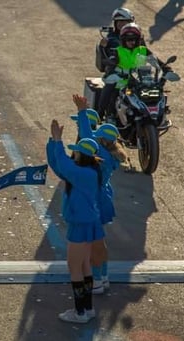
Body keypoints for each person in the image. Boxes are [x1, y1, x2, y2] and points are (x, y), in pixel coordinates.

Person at [46, 120, 103, 323]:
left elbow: (63, 165)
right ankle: (87, 309)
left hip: (80, 225)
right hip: (88, 223)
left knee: (74, 267)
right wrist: (53, 143)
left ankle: (79, 312)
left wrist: (58, 140)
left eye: (77, 150)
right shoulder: (88, 172)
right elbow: (59, 166)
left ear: (82, 154)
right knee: (85, 265)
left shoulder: (81, 173)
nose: (74, 153)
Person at [72, 94, 128, 294]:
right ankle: (103, 277)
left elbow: (86, 134)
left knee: (92, 244)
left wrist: (81, 111)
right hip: (104, 199)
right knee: (100, 242)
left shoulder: (101, 155)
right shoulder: (111, 154)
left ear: (103, 140)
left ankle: (95, 281)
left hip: (94, 201)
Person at [97, 23, 171, 123]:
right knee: (110, 90)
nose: (132, 42)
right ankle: (102, 115)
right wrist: (106, 55)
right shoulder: (118, 51)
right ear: (123, 40)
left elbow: (156, 61)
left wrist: (167, 69)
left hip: (140, 81)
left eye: (134, 39)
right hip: (123, 81)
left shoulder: (143, 50)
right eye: (129, 39)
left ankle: (161, 114)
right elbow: (110, 60)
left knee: (158, 92)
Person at [97, 7, 135, 72]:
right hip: (117, 71)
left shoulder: (135, 36)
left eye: (124, 21)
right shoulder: (110, 38)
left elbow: (145, 53)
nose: (120, 24)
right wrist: (102, 47)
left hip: (135, 70)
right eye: (118, 21)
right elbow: (104, 60)